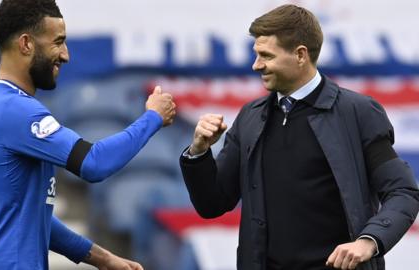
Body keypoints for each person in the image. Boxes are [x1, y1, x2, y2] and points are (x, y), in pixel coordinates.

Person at [179, 4, 419, 270]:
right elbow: (213, 203)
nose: (256, 65)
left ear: (300, 54)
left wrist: (368, 241)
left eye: (265, 56)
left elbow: (402, 191)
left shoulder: (359, 112)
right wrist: (199, 152)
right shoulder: (249, 117)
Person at [0, 0, 176, 269]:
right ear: (26, 44)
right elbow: (94, 163)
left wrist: (102, 258)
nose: (66, 54)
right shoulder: (18, 111)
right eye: (58, 42)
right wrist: (152, 118)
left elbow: (28, 214)